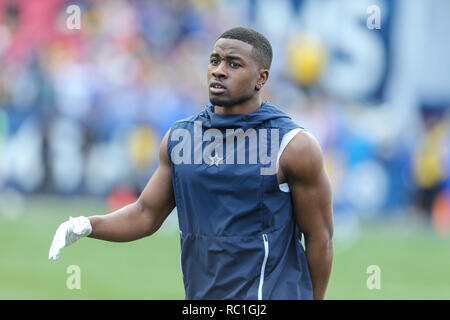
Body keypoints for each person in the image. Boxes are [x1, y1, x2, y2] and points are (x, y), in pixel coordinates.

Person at [49, 27, 334, 300]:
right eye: (214, 60)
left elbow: (319, 238)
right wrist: (87, 225)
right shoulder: (181, 137)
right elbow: (146, 213)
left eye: (234, 64)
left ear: (261, 78)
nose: (219, 70)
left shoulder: (292, 145)